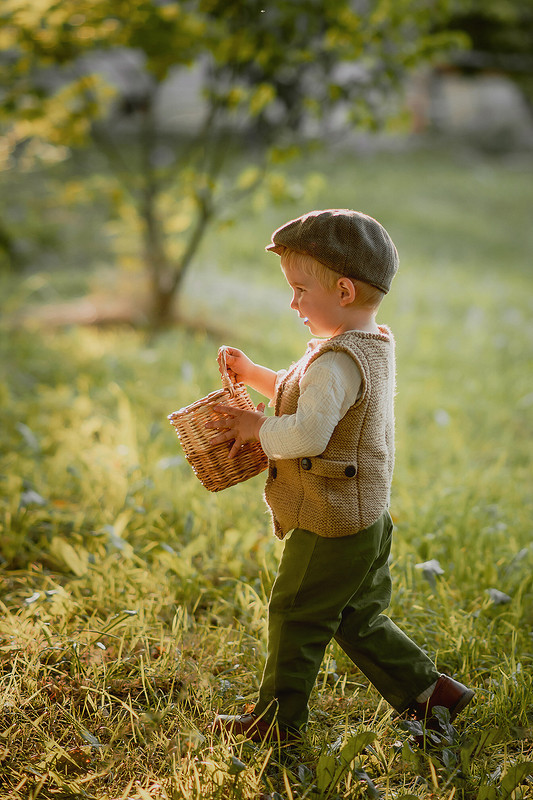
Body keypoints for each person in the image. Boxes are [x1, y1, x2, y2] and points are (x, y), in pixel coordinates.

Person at [207, 209, 474, 743]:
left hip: (330, 522)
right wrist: (255, 375)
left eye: (301, 290)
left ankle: (277, 723)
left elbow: (308, 433)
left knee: (296, 613)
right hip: (367, 518)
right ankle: (432, 694)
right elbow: (304, 390)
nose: (293, 303)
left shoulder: (335, 362)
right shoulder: (367, 346)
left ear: (345, 291)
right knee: (357, 617)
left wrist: (258, 427)